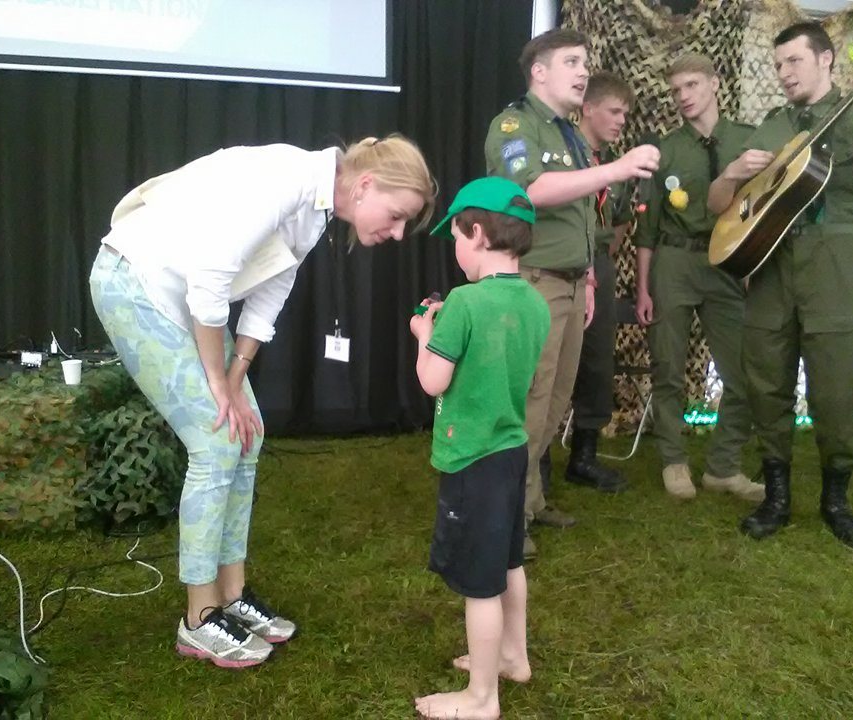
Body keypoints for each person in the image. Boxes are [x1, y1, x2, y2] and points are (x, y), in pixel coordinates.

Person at [89, 137, 435, 667]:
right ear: (365, 185)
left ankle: (232, 596)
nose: (396, 233)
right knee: (216, 441)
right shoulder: (285, 178)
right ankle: (198, 619)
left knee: (245, 435)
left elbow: (273, 288)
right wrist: (218, 380)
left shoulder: (315, 207)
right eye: (395, 217)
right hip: (136, 283)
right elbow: (209, 282)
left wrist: (236, 371)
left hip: (187, 298)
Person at [707, 22, 853, 548]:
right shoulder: (773, 124)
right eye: (778, 65)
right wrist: (730, 174)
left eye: (793, 61)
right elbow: (721, 206)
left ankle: (836, 500)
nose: (784, 73)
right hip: (771, 268)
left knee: (836, 390)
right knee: (766, 383)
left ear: (826, 60)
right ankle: (777, 497)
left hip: (834, 265)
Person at [485, 28, 660, 557]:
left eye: (586, 62)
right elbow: (531, 191)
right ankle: (504, 519)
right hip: (533, 281)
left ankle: (531, 503)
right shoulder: (514, 125)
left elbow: (584, 214)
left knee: (555, 400)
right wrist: (619, 167)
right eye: (572, 62)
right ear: (539, 70)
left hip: (568, 282)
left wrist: (586, 277)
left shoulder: (569, 137)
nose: (584, 72)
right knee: (529, 404)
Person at [409, 177, 549, 720]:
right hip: (511, 451)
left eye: (457, 238)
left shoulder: (463, 304)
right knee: (509, 561)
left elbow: (433, 382)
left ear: (477, 232)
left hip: (471, 459)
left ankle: (481, 698)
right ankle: (514, 655)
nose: (456, 249)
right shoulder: (536, 304)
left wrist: (427, 333)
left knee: (479, 584)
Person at [634, 53, 764, 502]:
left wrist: (751, 266)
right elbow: (646, 228)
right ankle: (673, 459)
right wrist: (644, 287)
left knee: (743, 371)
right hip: (675, 261)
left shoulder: (749, 142)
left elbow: (764, 209)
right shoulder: (665, 149)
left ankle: (723, 466)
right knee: (668, 367)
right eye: (676, 91)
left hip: (728, 263)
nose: (683, 97)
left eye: (691, 85)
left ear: (714, 82)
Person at [564, 71, 635, 494]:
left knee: (596, 360)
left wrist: (600, 262)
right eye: (614, 111)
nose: (621, 120)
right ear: (587, 108)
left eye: (625, 113)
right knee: (550, 360)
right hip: (559, 262)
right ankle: (535, 460)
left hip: (599, 266)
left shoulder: (618, 167)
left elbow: (622, 221)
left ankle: (583, 456)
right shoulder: (561, 155)